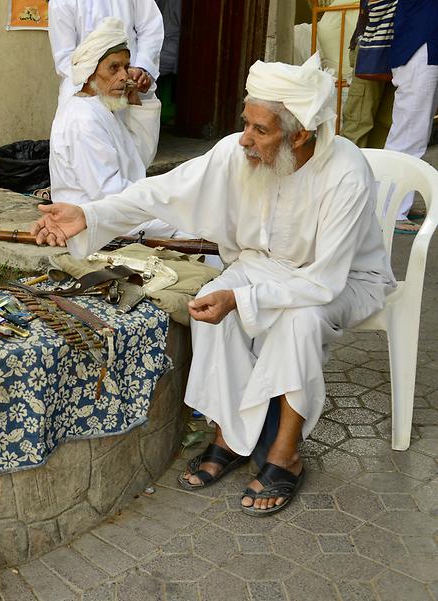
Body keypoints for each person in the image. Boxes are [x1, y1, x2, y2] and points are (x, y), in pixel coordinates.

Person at [32, 54, 395, 516]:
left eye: (260, 130)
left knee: (299, 322)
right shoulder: (237, 152)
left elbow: (324, 281)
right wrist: (90, 214)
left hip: (340, 280)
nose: (245, 139)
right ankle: (230, 434)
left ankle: (286, 453)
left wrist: (241, 298)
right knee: (209, 304)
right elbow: (161, 190)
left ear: (300, 135)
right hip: (261, 265)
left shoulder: (346, 170)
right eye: (246, 123)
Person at [49, 17, 177, 239]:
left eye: (126, 67)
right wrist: (159, 201)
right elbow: (106, 192)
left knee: (188, 218)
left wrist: (135, 97)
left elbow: (140, 160)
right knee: (186, 226)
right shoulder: (83, 119)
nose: (124, 76)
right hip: (91, 218)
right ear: (90, 72)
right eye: (114, 68)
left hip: (115, 208)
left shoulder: (103, 107)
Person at [49, 0, 164, 161]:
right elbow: (64, 56)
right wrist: (98, 77)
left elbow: (151, 27)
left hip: (130, 77)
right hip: (86, 84)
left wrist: (142, 68)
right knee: (88, 154)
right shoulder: (60, 3)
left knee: (136, 155)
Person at [383, 0, 437, 233]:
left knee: (417, 132)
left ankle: (400, 201)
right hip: (421, 44)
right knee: (409, 132)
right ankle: (390, 211)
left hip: (425, 42)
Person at [341, 0, 397, 150]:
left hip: (401, 44)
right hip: (372, 44)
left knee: (387, 121)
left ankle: (373, 169)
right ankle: (347, 169)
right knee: (359, 120)